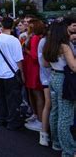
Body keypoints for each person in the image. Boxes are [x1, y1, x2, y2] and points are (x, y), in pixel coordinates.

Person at [42, 21, 76, 156]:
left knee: (55, 111)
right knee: (66, 115)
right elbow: (74, 67)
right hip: (64, 79)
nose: (70, 33)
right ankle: (68, 150)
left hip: (54, 77)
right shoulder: (65, 46)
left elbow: (45, 64)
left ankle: (56, 143)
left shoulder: (48, 44)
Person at [0, 17, 25, 130]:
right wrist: (22, 73)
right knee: (13, 99)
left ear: (2, 25)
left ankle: (1, 119)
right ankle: (12, 122)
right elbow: (18, 60)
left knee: (0, 97)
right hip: (11, 74)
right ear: (12, 26)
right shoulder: (14, 40)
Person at [23, 19, 46, 132]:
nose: (27, 27)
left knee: (37, 94)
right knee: (33, 93)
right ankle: (36, 115)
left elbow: (34, 55)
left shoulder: (35, 38)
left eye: (30, 26)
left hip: (34, 68)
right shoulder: (33, 37)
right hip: (31, 68)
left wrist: (26, 50)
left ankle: (40, 120)